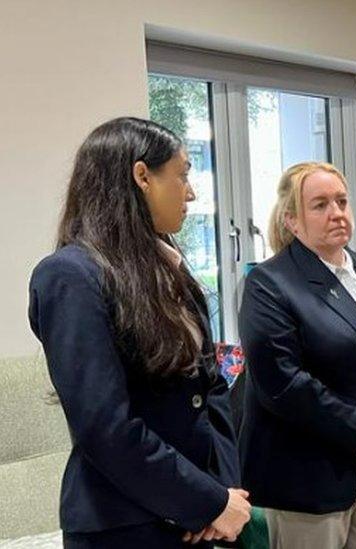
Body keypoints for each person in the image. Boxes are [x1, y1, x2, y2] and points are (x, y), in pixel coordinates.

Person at [28, 117, 251, 548]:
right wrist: (201, 501)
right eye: (183, 174)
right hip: (125, 526)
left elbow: (214, 389)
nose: (192, 192)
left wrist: (223, 494)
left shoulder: (172, 270)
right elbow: (105, 427)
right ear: (142, 176)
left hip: (203, 518)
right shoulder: (71, 276)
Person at [237, 162, 356, 549]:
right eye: (320, 205)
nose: (337, 212)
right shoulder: (269, 284)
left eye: (341, 201)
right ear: (292, 220)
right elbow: (284, 385)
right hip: (311, 481)